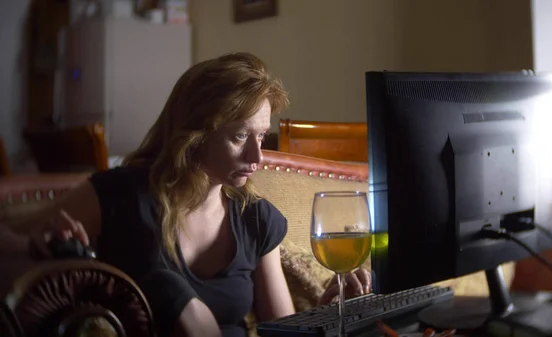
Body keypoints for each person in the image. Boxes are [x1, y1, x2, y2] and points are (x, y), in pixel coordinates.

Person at [0, 52, 371, 337]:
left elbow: (283, 327)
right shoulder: (123, 196)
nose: (257, 157)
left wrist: (329, 309)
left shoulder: (255, 217)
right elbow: (8, 240)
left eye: (261, 137)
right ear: (195, 133)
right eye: (240, 136)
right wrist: (37, 244)